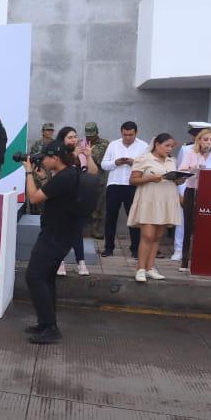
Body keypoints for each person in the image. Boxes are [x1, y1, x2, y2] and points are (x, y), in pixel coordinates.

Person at [21, 141, 81, 345]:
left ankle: (50, 327)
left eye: (44, 157)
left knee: (34, 276)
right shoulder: (69, 174)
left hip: (54, 236)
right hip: (61, 234)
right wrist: (43, 177)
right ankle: (46, 323)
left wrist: (28, 173)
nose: (42, 160)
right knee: (46, 278)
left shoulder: (64, 177)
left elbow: (34, 197)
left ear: (55, 158)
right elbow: (53, 193)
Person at [127, 132, 181, 283]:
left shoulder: (171, 161)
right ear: (157, 144)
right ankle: (140, 269)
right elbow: (133, 180)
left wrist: (179, 180)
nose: (169, 149)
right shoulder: (144, 159)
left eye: (171, 146)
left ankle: (150, 268)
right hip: (149, 200)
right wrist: (150, 178)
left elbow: (174, 180)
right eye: (166, 146)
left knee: (157, 237)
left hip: (166, 201)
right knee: (148, 236)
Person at [175, 125, 211, 269]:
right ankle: (185, 260)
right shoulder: (190, 152)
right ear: (199, 140)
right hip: (192, 191)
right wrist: (193, 170)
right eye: (206, 139)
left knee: (207, 227)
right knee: (189, 226)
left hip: (210, 193)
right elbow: (181, 171)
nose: (209, 142)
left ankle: (204, 259)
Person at [100, 121, 149, 259]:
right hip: (114, 184)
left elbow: (147, 165)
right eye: (125, 134)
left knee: (133, 218)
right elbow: (104, 164)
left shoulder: (143, 146)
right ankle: (108, 248)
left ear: (136, 133)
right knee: (110, 217)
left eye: (130, 135)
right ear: (121, 132)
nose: (127, 137)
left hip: (132, 185)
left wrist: (134, 162)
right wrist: (115, 162)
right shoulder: (113, 145)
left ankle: (135, 249)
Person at [53, 126, 94, 276]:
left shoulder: (82, 155)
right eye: (70, 137)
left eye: (75, 137)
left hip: (79, 199)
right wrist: (73, 155)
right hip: (62, 200)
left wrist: (88, 156)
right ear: (63, 139)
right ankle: (60, 262)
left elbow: (93, 172)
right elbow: (61, 173)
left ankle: (81, 262)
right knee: (61, 232)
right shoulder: (58, 154)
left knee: (77, 231)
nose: (74, 140)